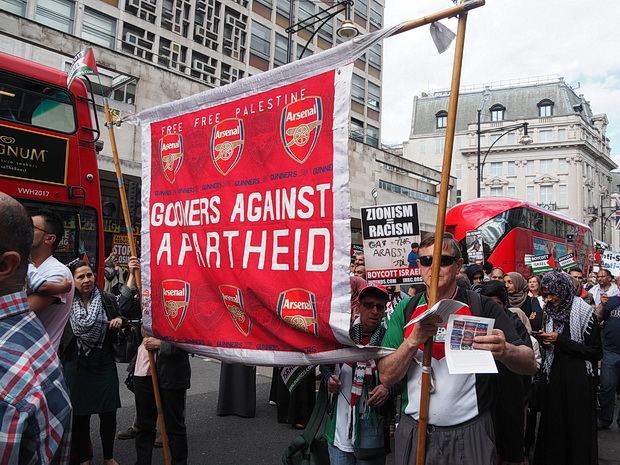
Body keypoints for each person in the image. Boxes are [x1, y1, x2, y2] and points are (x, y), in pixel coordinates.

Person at [378, 232, 536, 465]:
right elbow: (386, 376)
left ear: (458, 265)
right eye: (426, 261)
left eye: (443, 260)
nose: (434, 267)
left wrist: (506, 351)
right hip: (415, 429)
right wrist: (412, 341)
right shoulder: (405, 309)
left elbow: (530, 363)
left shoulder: (482, 306)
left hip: (470, 433)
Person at [0, 193, 72, 463]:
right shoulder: (31, 267)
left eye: (35, 226)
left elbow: (24, 307)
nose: (28, 229)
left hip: (32, 357)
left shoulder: (58, 272)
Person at [321, 283, 401, 465]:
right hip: (339, 428)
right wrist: (328, 380)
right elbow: (324, 366)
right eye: (369, 305)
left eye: (380, 307)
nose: (374, 311)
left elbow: (400, 377)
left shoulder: (389, 340)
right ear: (358, 306)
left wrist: (387, 390)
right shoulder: (341, 336)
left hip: (373, 428)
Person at [533, 271, 602, 465]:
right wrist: (546, 341)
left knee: (576, 430)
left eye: (552, 293)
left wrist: (560, 340)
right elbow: (553, 346)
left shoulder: (585, 313)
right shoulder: (549, 312)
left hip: (578, 383)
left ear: (562, 290)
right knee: (554, 429)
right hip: (554, 380)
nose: (549, 298)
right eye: (545, 294)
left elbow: (595, 352)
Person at [62, 260, 123, 465]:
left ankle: (109, 456)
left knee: (108, 412)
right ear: (73, 280)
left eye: (89, 275)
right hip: (76, 363)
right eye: (80, 277)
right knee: (80, 415)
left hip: (103, 361)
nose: (86, 280)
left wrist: (119, 320)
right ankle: (84, 457)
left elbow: (122, 313)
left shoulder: (106, 299)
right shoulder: (64, 301)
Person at [28, 209, 75, 350]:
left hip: (35, 363)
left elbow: (18, 313)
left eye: (32, 227)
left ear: (49, 238)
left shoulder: (57, 273)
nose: (24, 230)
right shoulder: (26, 266)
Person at [595, 287, 620, 430]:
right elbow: (598, 318)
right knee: (607, 387)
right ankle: (605, 419)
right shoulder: (611, 301)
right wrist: (602, 305)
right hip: (611, 351)